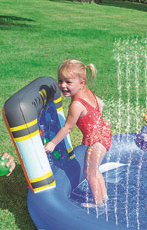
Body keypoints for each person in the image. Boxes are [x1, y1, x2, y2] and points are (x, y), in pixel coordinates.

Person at [44, 58, 112, 206]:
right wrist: (98, 120)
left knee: (89, 173)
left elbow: (67, 127)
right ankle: (104, 196)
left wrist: (52, 144)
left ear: (81, 83)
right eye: (60, 81)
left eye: (68, 82)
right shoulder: (87, 92)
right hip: (104, 135)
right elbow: (100, 103)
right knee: (94, 170)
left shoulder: (76, 104)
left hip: (97, 142)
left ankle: (98, 203)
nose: (63, 85)